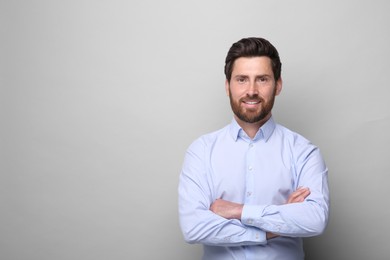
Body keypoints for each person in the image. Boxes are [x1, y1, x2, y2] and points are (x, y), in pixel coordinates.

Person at [178, 37, 330, 260]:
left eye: (262, 79)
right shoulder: (201, 151)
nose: (251, 90)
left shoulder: (303, 152)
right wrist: (273, 227)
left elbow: (315, 220)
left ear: (278, 85)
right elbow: (193, 227)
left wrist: (237, 211)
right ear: (227, 85)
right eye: (241, 79)